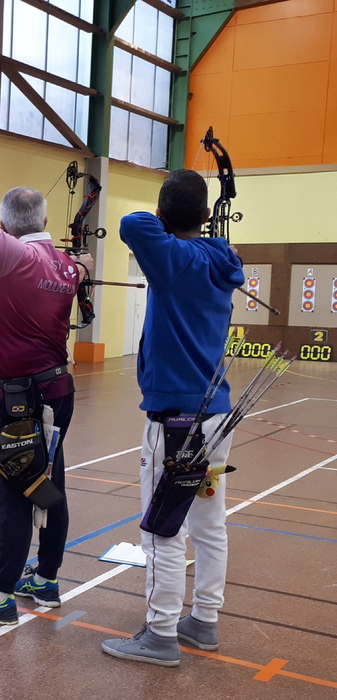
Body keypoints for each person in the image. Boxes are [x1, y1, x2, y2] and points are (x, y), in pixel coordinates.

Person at [102, 169, 244, 666]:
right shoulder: (221, 257)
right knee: (209, 524)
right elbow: (169, 229)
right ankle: (203, 621)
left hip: (175, 423)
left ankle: (160, 633)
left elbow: (131, 222)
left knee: (162, 528)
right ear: (205, 215)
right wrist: (204, 231)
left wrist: (168, 220)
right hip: (216, 415)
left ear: (163, 214)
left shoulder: (168, 256)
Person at [0, 187, 92, 625]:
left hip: (23, 401)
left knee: (13, 495)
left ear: (6, 227)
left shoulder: (11, 255)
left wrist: (2, 237)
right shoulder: (67, 266)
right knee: (48, 483)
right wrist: (82, 265)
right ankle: (45, 579)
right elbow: (83, 266)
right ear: (45, 223)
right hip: (56, 392)